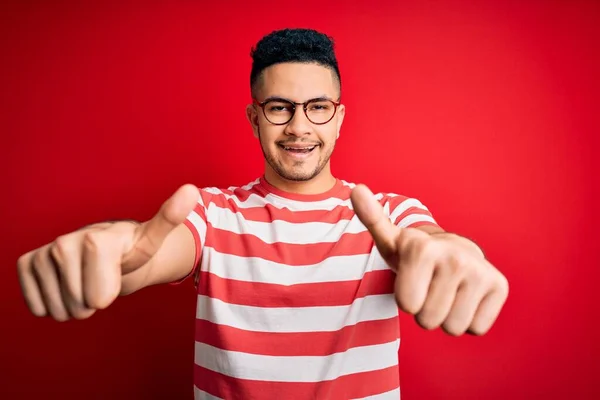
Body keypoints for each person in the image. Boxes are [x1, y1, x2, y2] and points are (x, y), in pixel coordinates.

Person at [16, 28, 509, 399]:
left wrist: (455, 253)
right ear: (254, 118)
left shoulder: (390, 214)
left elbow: (433, 242)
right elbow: (145, 253)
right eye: (279, 107)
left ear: (338, 118)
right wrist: (108, 251)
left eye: (317, 107)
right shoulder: (212, 213)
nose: (299, 126)